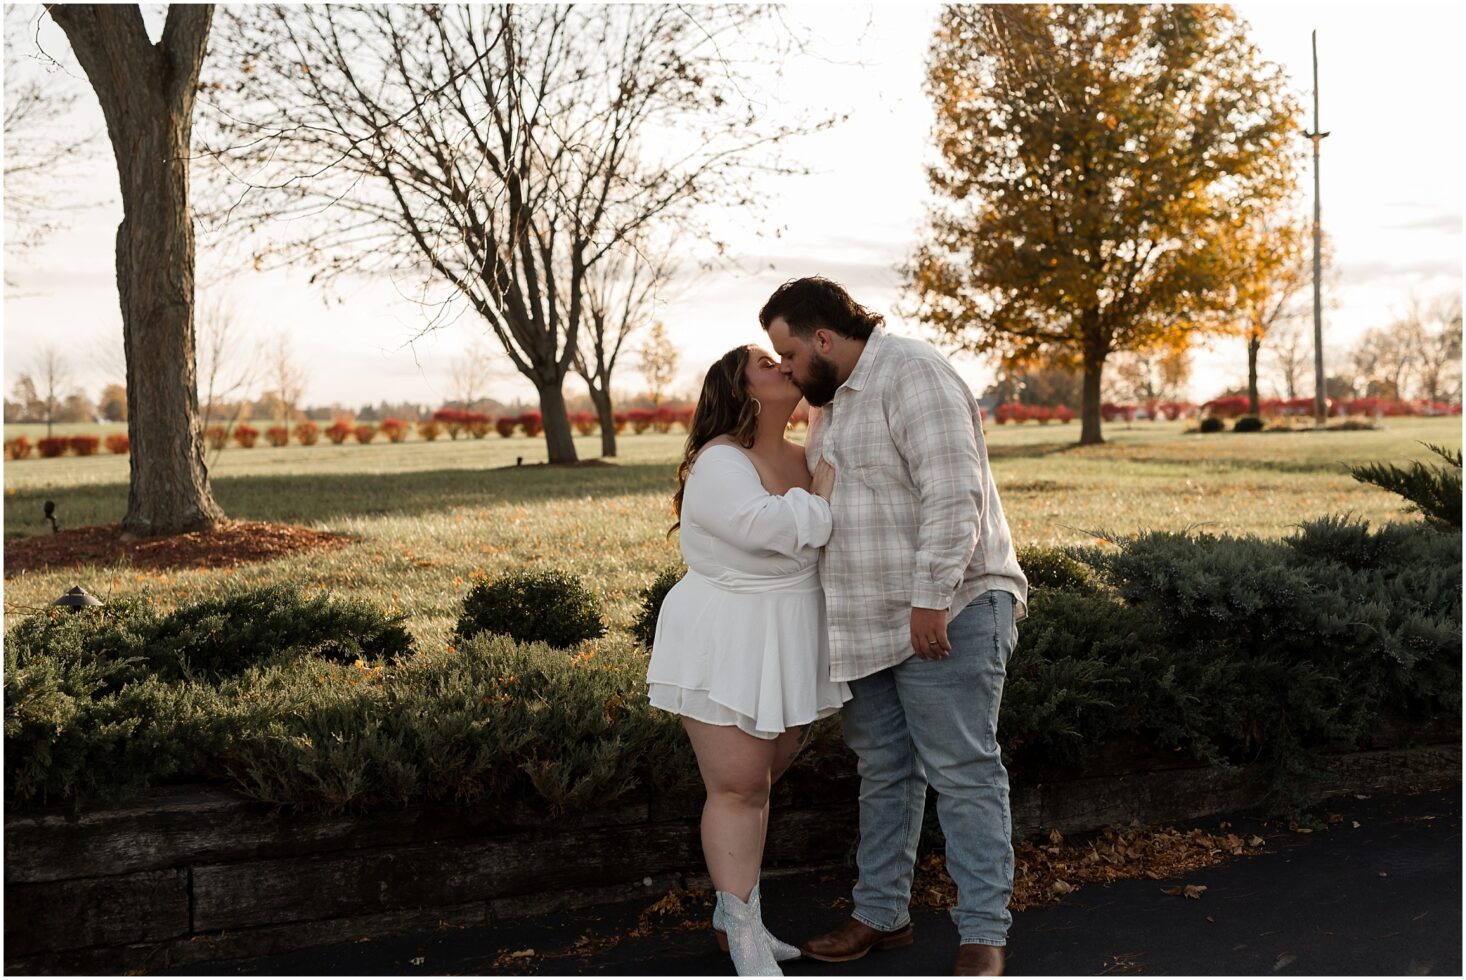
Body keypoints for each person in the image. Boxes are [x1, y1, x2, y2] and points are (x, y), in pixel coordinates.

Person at [760, 276, 1028, 977]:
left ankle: (982, 933)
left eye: (787, 352)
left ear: (823, 337)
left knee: (964, 771)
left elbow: (954, 492)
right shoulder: (830, 407)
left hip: (948, 611)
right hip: (866, 625)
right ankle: (882, 915)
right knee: (885, 772)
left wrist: (930, 599)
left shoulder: (912, 372)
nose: (785, 368)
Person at [646, 343, 851, 976]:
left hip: (791, 637)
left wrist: (817, 496)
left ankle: (735, 914)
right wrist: (819, 501)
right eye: (766, 363)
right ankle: (743, 937)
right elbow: (764, 527)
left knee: (762, 783)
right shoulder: (720, 461)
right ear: (744, 391)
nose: (784, 366)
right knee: (736, 786)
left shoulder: (806, 454)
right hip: (726, 634)